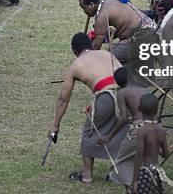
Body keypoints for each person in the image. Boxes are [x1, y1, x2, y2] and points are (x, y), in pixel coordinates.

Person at [48, 33, 127, 184]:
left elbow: (63, 99)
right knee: (122, 131)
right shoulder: (106, 53)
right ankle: (120, 172)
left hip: (105, 97)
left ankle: (87, 176)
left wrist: (55, 125)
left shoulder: (76, 64)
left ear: (74, 51)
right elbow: (123, 76)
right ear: (91, 45)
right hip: (125, 95)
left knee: (88, 134)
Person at [99, 67, 148, 189]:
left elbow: (123, 118)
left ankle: (131, 186)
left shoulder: (123, 92)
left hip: (139, 130)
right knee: (143, 161)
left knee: (121, 162)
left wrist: (108, 137)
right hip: (154, 127)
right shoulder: (144, 89)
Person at [131, 93, 173, 194]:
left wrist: (135, 180)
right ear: (156, 110)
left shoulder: (142, 131)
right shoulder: (161, 130)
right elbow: (166, 154)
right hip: (155, 171)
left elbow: (139, 156)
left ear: (139, 109)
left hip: (143, 172)